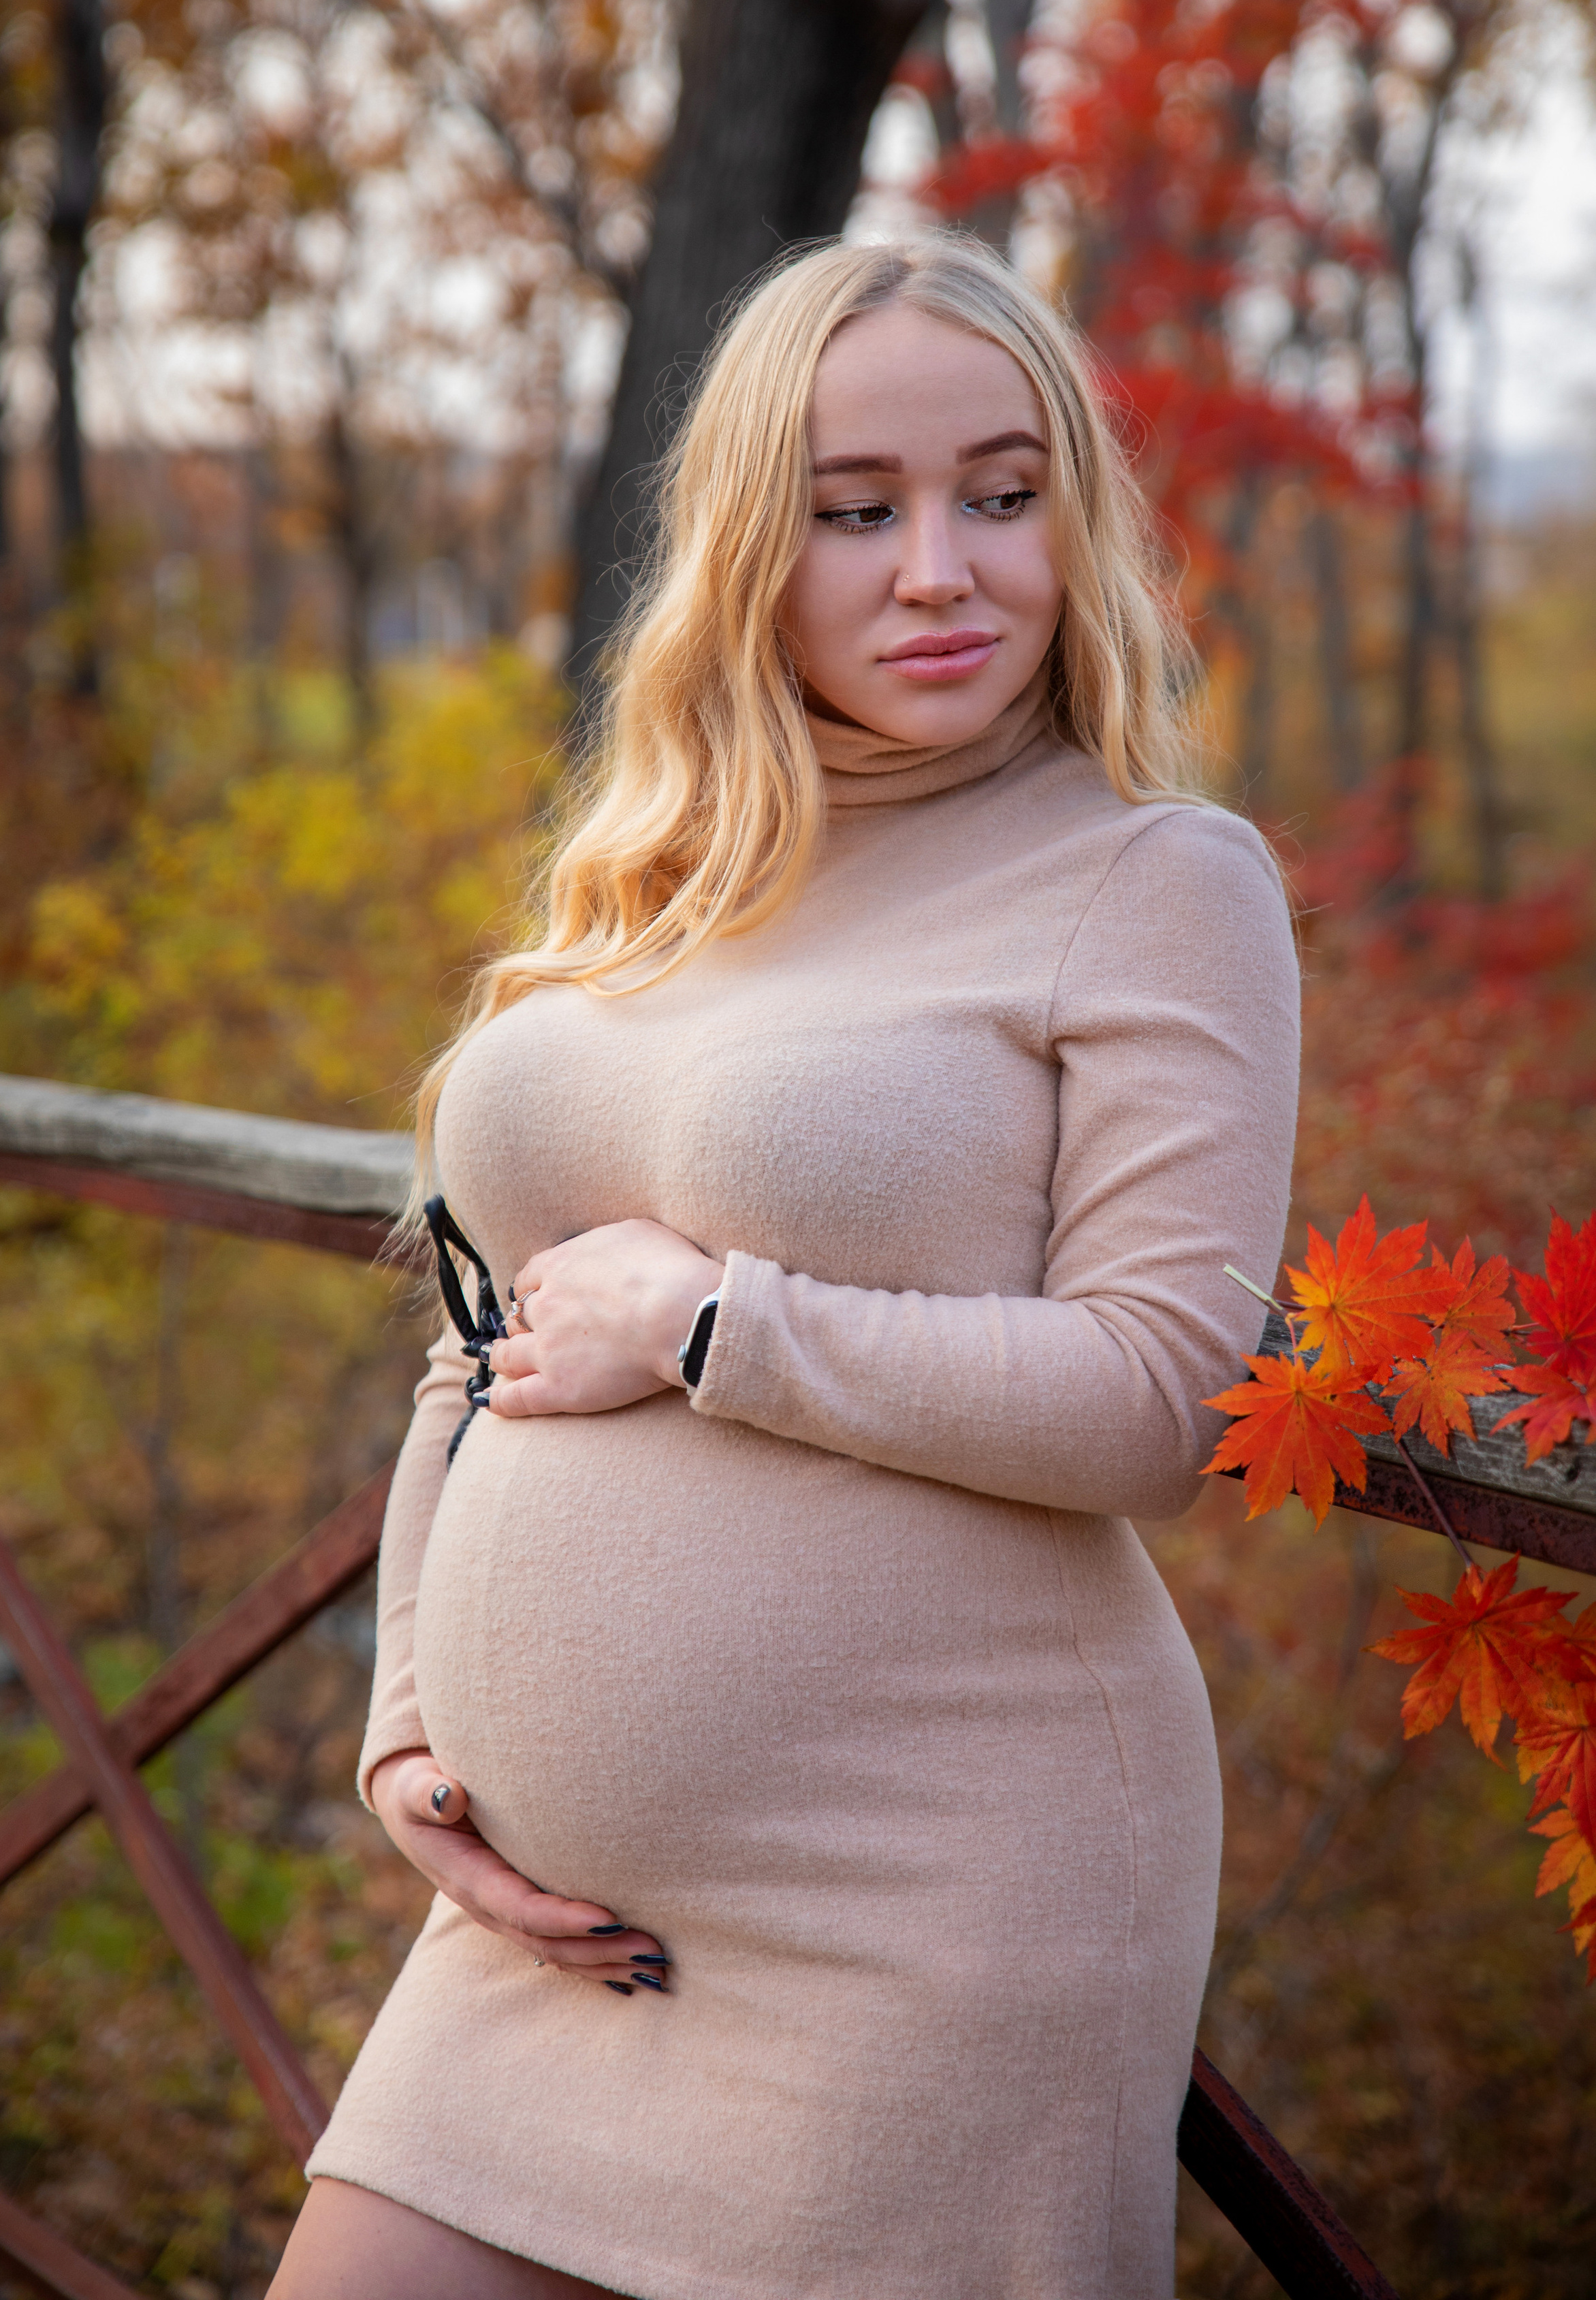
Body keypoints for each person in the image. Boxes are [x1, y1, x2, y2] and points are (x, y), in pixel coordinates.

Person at [268, 232, 1300, 2300]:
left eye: (1002, 497)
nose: (942, 568)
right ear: (754, 542)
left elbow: (1163, 1396)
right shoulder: (665, 875)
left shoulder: (1150, 877)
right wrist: (408, 1723)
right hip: (541, 1939)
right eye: (857, 512)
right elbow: (485, 1349)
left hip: (936, 1893)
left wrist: (725, 1325)